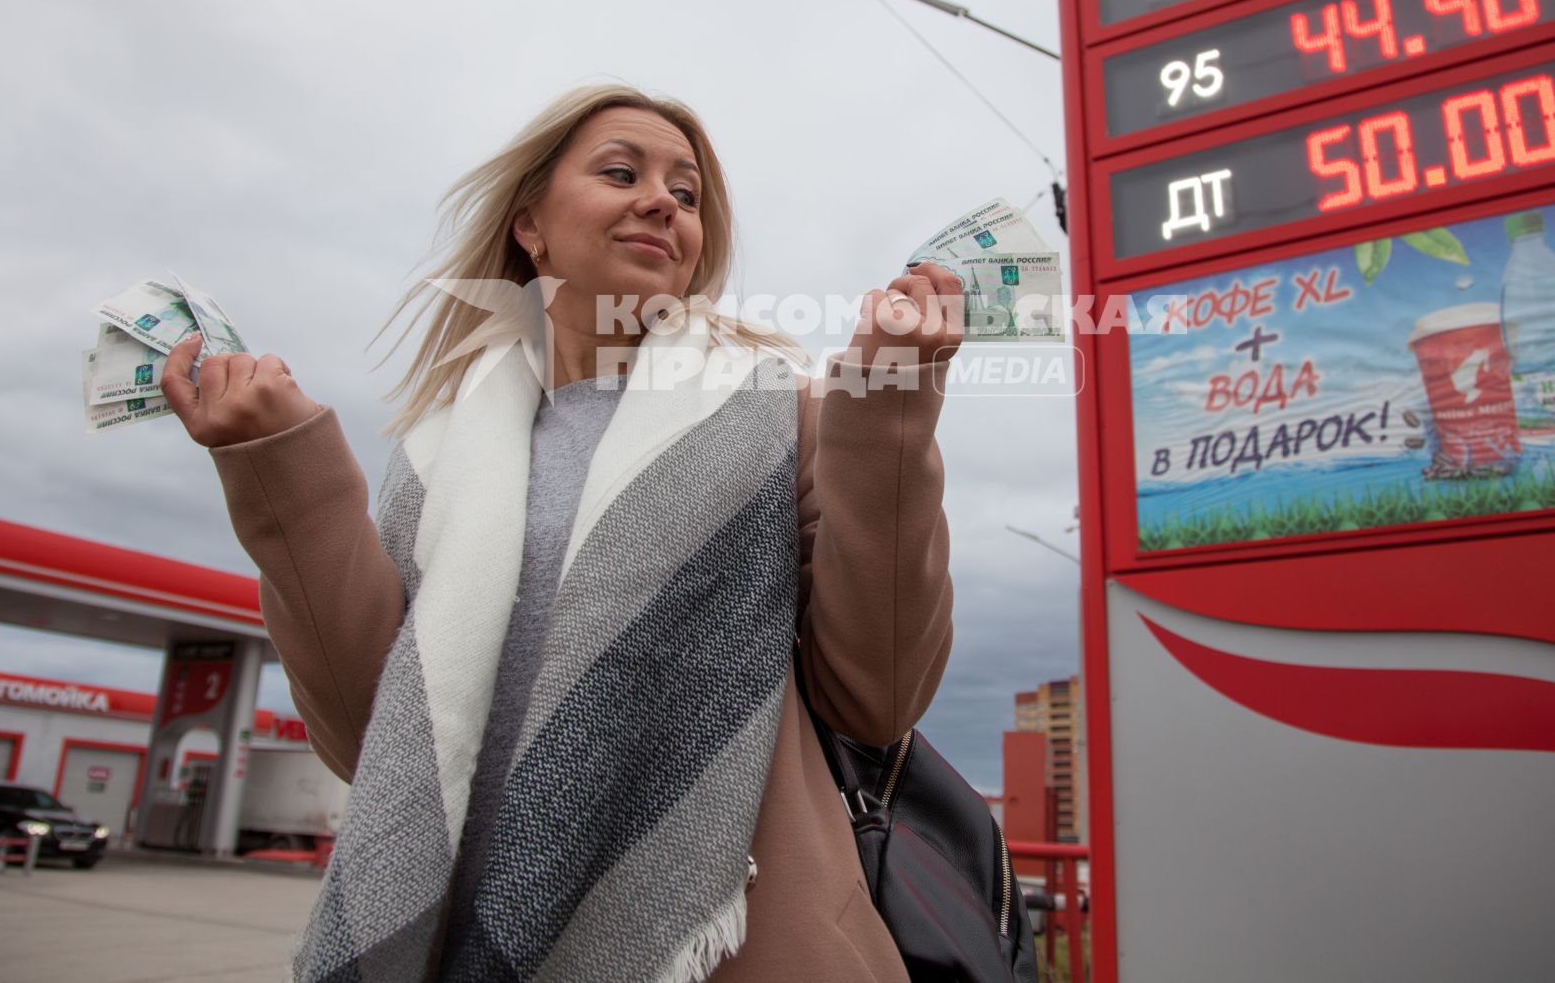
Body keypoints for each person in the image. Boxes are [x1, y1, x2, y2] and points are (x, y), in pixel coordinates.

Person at [159, 83, 962, 983]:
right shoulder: (436, 453)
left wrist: (888, 417)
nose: (663, 200)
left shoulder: (784, 416)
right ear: (530, 225)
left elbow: (877, 693)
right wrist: (282, 468)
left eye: (687, 193)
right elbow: (364, 737)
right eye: (622, 172)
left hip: (733, 951)